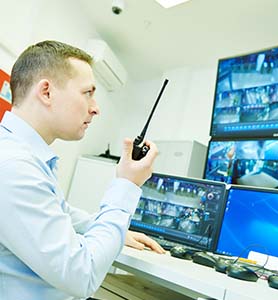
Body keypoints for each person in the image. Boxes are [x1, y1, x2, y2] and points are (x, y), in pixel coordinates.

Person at [0, 40, 164, 300]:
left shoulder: (21, 156)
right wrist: (127, 185)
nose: (96, 107)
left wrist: (115, 232)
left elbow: (57, 211)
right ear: (46, 92)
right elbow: (82, 275)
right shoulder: (14, 166)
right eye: (88, 92)